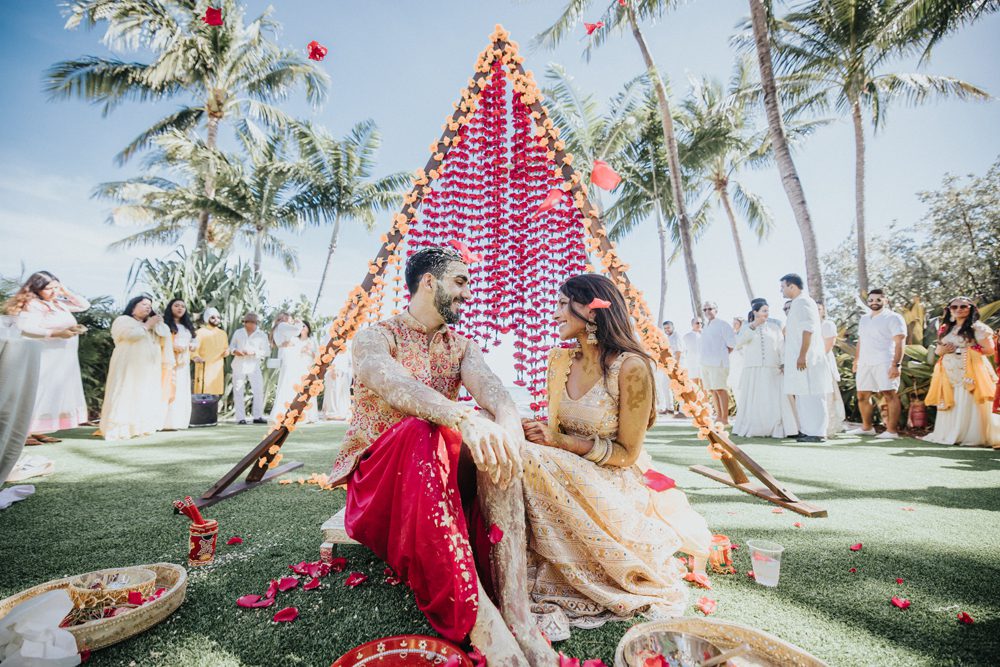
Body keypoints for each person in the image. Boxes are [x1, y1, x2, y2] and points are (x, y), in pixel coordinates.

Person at [332, 246, 554, 666]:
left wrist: (505, 428)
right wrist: (461, 418)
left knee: (496, 429)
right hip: (379, 486)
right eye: (461, 282)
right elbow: (394, 384)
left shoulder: (461, 347)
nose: (468, 294)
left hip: (441, 476)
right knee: (422, 428)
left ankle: (518, 614)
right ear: (429, 282)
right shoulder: (376, 338)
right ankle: (481, 622)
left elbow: (496, 393)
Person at [519, 274, 711, 629]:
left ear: (591, 312)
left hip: (612, 480)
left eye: (563, 304)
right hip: (559, 469)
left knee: (529, 458)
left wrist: (559, 443)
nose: (555, 313)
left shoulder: (630, 367)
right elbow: (556, 429)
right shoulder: (558, 362)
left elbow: (627, 453)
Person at [5, 272, 89, 445]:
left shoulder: (58, 303)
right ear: (37, 289)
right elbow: (25, 327)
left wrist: (66, 291)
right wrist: (56, 333)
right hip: (45, 354)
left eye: (56, 287)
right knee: (38, 390)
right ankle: (23, 432)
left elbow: (84, 305)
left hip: (63, 357)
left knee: (52, 392)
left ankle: (38, 430)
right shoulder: (33, 304)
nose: (54, 291)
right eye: (49, 288)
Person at [923, 297, 999, 447]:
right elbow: (939, 349)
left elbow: (989, 350)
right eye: (954, 307)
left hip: (969, 371)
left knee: (967, 398)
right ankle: (949, 432)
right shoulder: (946, 328)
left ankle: (970, 436)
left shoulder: (978, 328)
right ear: (949, 310)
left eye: (963, 306)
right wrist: (941, 350)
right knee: (952, 399)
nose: (958, 309)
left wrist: (964, 350)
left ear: (971, 308)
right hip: (948, 370)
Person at [99, 295, 171, 440]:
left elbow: (165, 335)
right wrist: (147, 326)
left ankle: (140, 427)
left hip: (148, 368)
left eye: (150, 306)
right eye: (144, 304)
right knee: (126, 392)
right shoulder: (123, 320)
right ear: (133, 307)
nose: (148, 307)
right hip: (128, 365)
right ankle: (120, 429)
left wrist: (157, 323)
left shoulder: (151, 325)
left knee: (144, 394)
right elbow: (130, 336)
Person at [846, 289, 906, 439]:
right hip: (865, 363)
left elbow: (900, 342)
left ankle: (891, 431)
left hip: (885, 361)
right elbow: (861, 341)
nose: (874, 303)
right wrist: (856, 360)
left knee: (889, 394)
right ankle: (867, 428)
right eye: (871, 300)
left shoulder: (894, 318)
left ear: (886, 301)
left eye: (878, 300)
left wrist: (896, 365)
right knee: (862, 395)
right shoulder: (865, 319)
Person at [732, 301, 797, 438]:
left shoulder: (774, 327)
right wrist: (754, 326)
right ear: (755, 312)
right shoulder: (746, 328)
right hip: (753, 369)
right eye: (763, 310)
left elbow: (781, 346)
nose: (766, 313)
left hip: (772, 368)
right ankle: (755, 427)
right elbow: (738, 344)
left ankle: (777, 427)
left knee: (773, 399)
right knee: (756, 399)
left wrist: (783, 363)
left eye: (768, 310)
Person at [780, 274, 832, 443]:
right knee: (803, 393)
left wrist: (803, 355)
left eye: (783, 286)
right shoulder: (797, 303)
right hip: (798, 358)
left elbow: (807, 330)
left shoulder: (803, 302)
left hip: (808, 358)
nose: (781, 290)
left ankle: (817, 432)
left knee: (813, 394)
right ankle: (808, 429)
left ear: (792, 286)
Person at [270, 319, 319, 424]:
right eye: (301, 327)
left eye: (304, 326)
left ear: (308, 329)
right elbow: (291, 353)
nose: (302, 329)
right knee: (298, 388)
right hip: (297, 367)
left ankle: (310, 415)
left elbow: (317, 356)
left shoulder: (312, 340)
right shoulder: (295, 340)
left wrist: (309, 351)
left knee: (308, 388)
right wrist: (300, 351)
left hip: (308, 366)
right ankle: (296, 413)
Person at [162, 298, 198, 430]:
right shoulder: (165, 325)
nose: (180, 308)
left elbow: (194, 340)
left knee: (181, 391)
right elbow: (160, 341)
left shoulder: (187, 327)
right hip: (168, 363)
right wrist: (172, 346)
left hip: (183, 363)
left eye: (183, 306)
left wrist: (193, 345)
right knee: (169, 388)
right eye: (176, 305)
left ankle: (179, 422)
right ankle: (165, 422)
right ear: (170, 308)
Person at [699, 301, 736, 426]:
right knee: (712, 390)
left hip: (718, 363)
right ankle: (718, 416)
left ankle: (725, 418)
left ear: (716, 310)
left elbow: (731, 345)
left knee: (720, 389)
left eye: (710, 309)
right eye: (705, 309)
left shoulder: (723, 324)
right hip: (705, 363)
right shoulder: (705, 326)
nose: (707, 312)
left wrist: (720, 355)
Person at [230, 312, 269, 425]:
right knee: (238, 391)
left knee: (258, 390)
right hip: (239, 364)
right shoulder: (238, 332)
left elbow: (266, 351)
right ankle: (240, 418)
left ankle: (257, 416)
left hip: (254, 366)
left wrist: (254, 352)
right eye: (248, 322)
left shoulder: (262, 335)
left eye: (253, 322)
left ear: (257, 323)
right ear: (244, 322)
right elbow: (231, 346)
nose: (250, 325)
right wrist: (235, 351)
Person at [818, 302, 846, 437]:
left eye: (819, 309)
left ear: (823, 311)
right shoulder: (808, 324)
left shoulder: (827, 325)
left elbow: (829, 344)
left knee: (828, 394)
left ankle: (829, 427)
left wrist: (816, 360)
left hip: (823, 362)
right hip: (811, 364)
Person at [192, 307, 228, 396]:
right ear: (207, 319)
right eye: (213, 317)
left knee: (215, 396)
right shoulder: (199, 332)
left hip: (217, 369)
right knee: (202, 396)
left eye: (218, 317)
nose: (216, 319)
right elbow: (193, 350)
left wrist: (227, 351)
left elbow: (225, 348)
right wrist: (195, 357)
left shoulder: (223, 334)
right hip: (204, 368)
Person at [654, 320, 681, 414]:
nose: (667, 330)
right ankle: (669, 408)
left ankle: (680, 410)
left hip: (675, 366)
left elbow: (678, 352)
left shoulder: (676, 336)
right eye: (665, 328)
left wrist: (676, 366)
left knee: (677, 388)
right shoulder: (667, 338)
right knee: (665, 386)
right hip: (667, 367)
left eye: (668, 327)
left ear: (673, 327)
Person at [323, 341, 353, 421]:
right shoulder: (332, 343)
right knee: (333, 392)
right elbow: (328, 357)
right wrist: (332, 369)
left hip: (344, 371)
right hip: (333, 371)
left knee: (343, 393)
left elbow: (349, 360)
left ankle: (342, 412)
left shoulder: (348, 344)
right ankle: (332, 413)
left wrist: (347, 371)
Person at [681, 318, 703, 389]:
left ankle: (706, 400)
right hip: (692, 365)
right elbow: (683, 352)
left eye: (700, 323)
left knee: (705, 387)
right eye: (697, 323)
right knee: (694, 387)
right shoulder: (686, 337)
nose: (699, 325)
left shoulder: (705, 335)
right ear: (692, 324)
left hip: (703, 364)